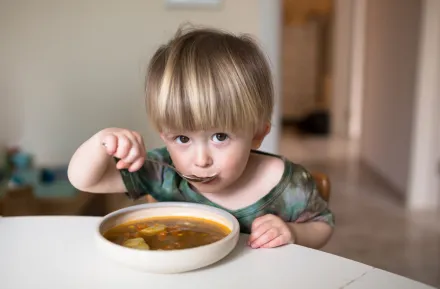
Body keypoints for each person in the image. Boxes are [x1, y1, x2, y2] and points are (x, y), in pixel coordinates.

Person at [68, 26, 335, 249]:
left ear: (257, 135)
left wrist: (293, 233)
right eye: (182, 139)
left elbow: (323, 224)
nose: (201, 160)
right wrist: (103, 141)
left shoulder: (288, 184)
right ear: (165, 135)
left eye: (220, 136)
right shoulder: (162, 171)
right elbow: (84, 180)